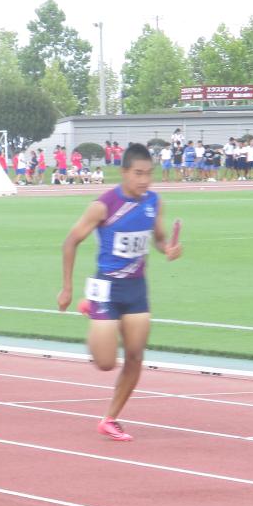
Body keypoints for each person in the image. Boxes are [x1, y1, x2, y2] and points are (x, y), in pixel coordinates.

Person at [56, 143, 182, 441]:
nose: (144, 180)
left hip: (136, 289)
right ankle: (91, 310)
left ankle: (110, 419)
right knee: (105, 363)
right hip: (106, 289)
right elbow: (70, 242)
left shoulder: (154, 202)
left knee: (136, 356)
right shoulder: (104, 205)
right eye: (138, 174)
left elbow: (160, 240)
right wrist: (67, 288)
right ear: (124, 172)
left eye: (149, 174)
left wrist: (169, 249)